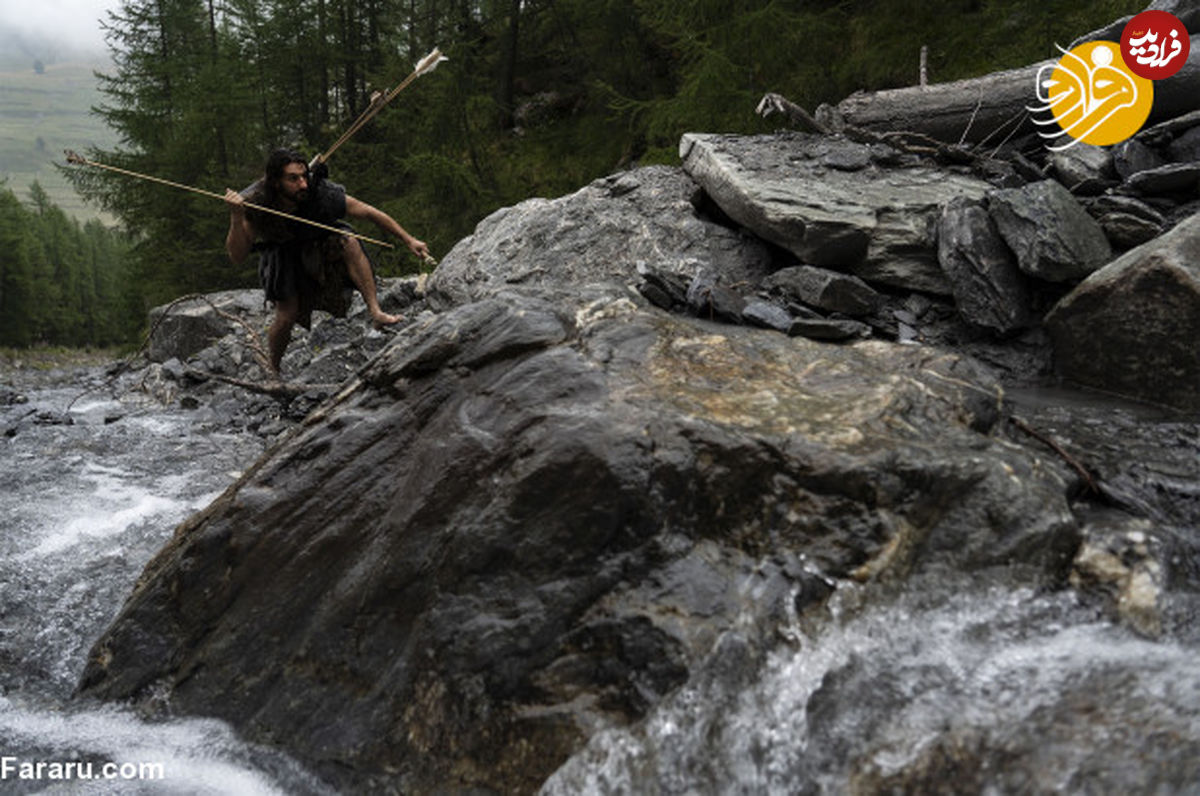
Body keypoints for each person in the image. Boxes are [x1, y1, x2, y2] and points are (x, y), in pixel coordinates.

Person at [223, 147, 430, 376]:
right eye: (293, 179)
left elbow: (368, 211)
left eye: (304, 176)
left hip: (320, 248)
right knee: (286, 316)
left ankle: (376, 312)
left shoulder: (320, 192)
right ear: (275, 182)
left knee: (349, 241)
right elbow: (237, 256)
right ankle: (273, 367)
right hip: (283, 256)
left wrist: (409, 239)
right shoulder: (258, 204)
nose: (303, 184)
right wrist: (236, 216)